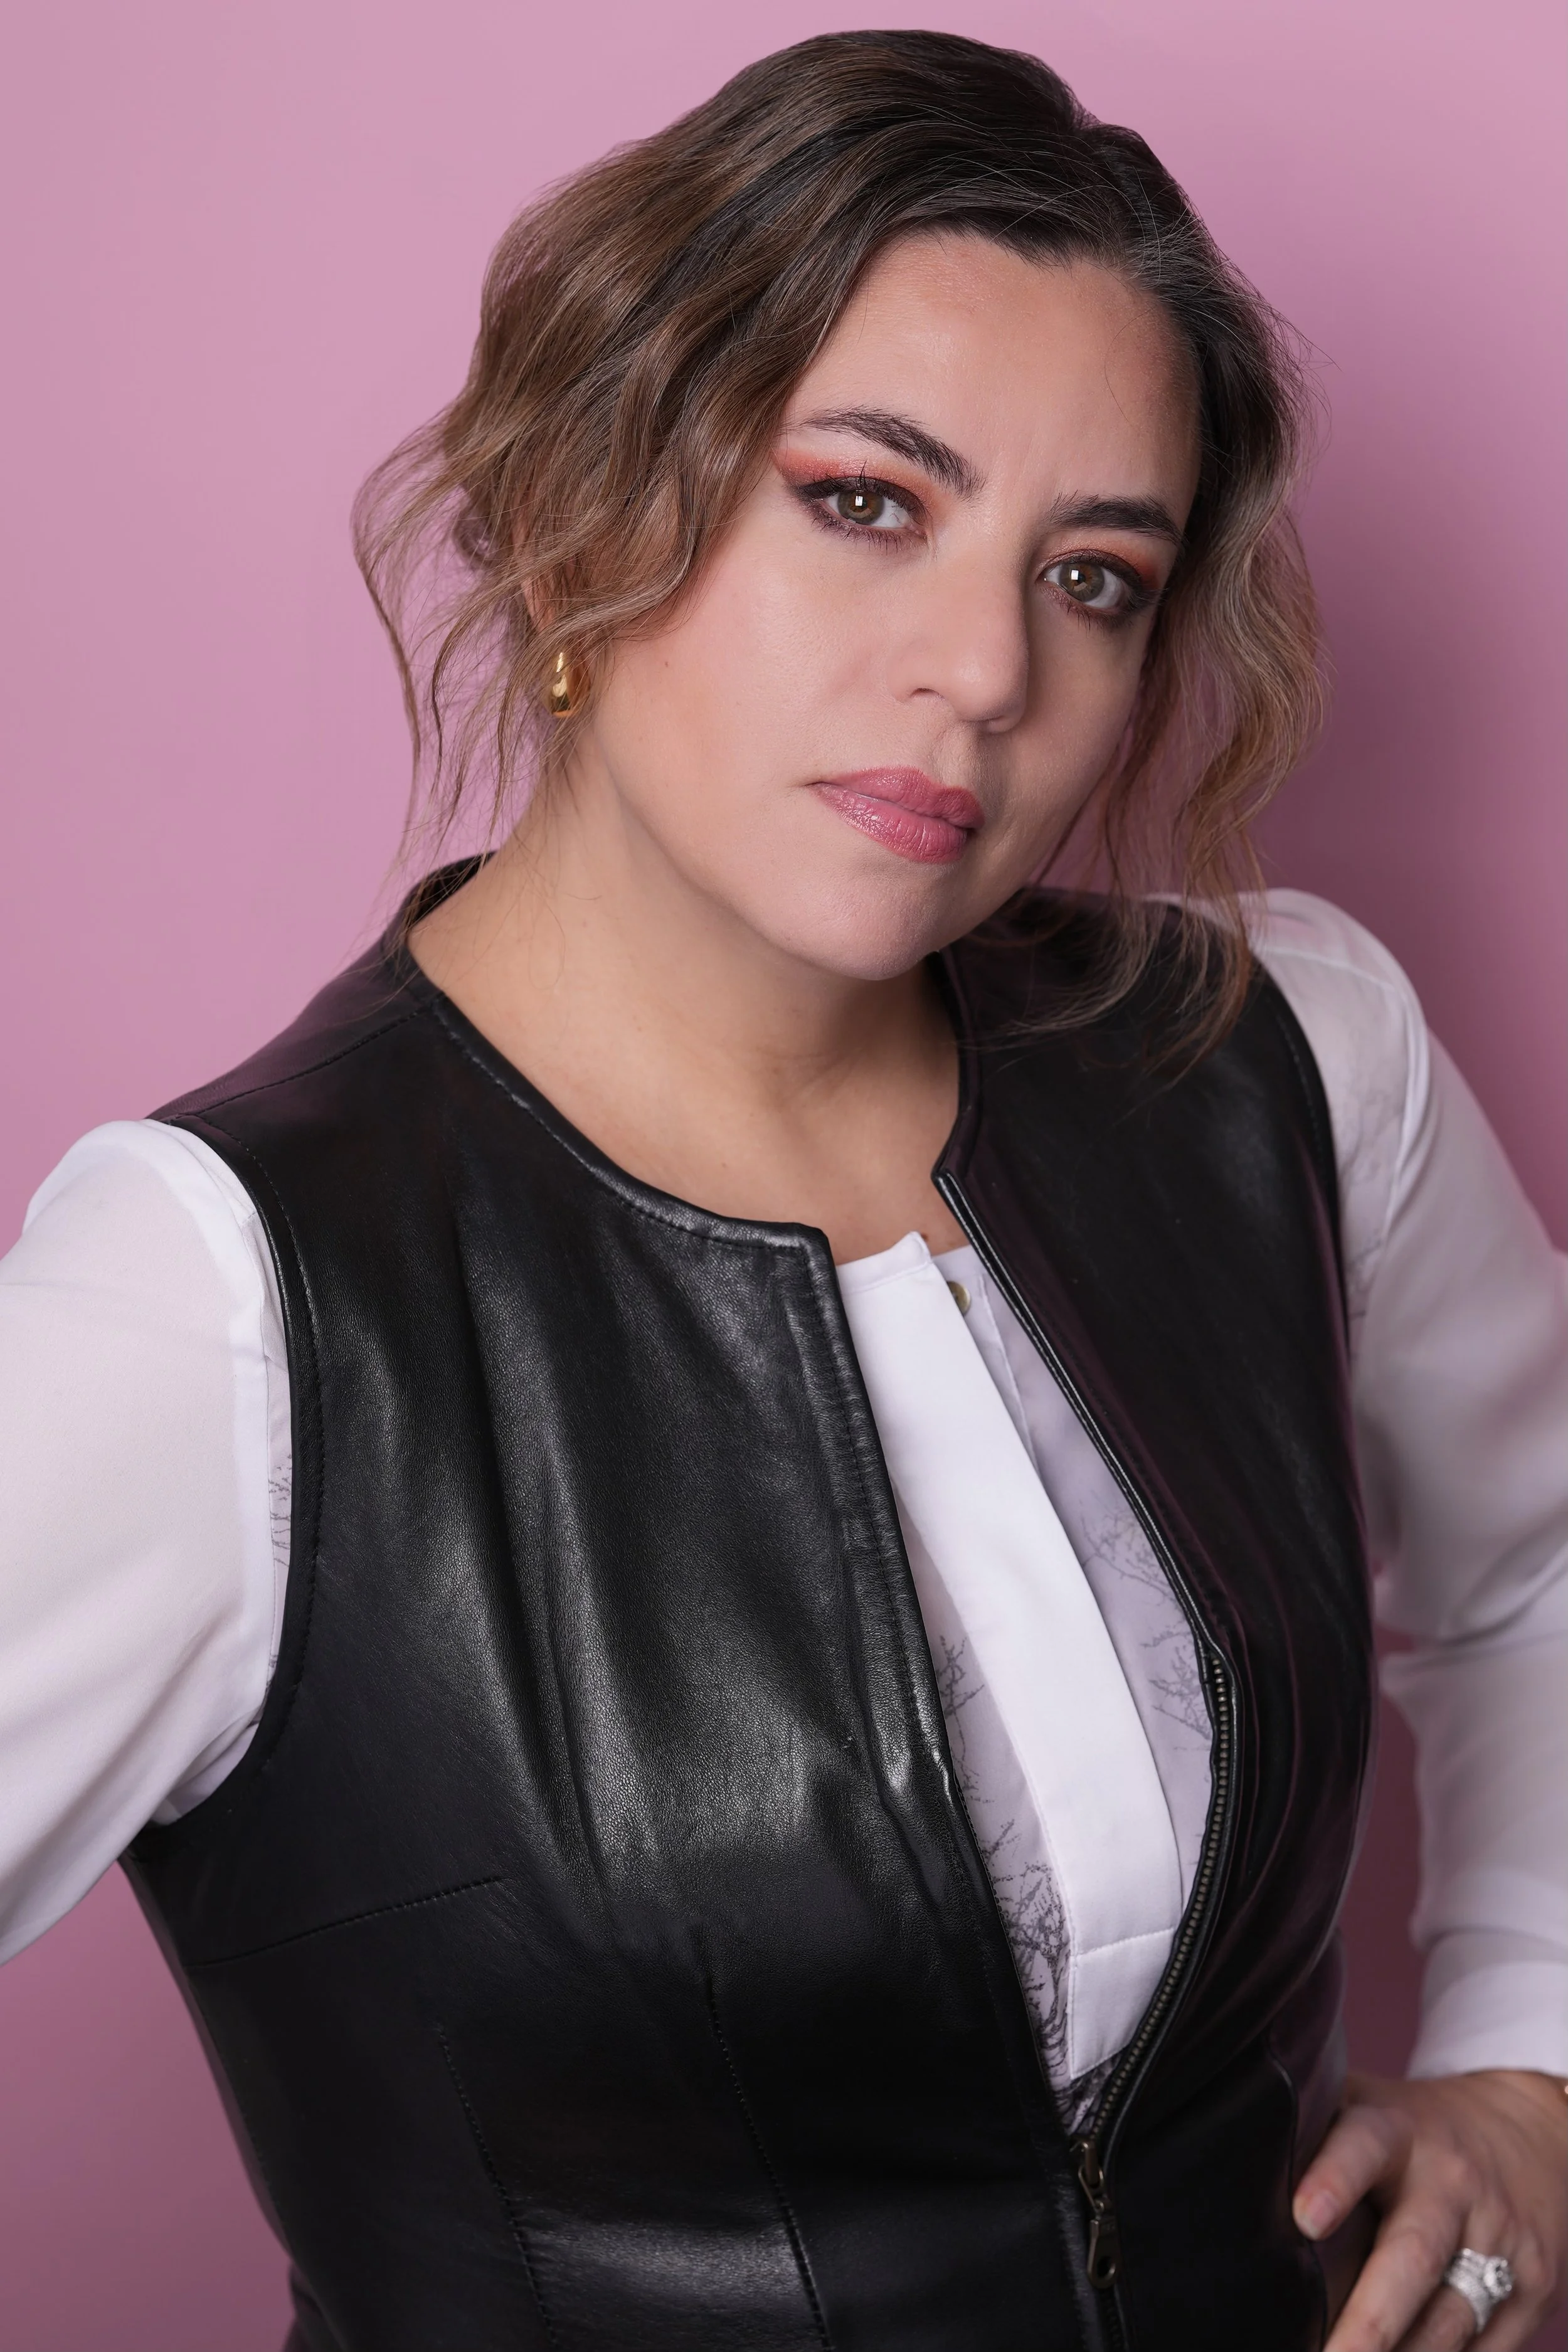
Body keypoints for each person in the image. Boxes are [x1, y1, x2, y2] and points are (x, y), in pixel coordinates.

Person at [1, 29, 1562, 2351]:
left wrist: (1529, 2050)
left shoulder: (1274, 1056)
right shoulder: (230, 1298)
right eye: (863, 499)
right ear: (580, 498)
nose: (983, 670)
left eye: (1094, 574)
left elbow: (1540, 1563)